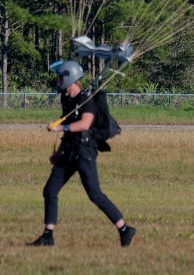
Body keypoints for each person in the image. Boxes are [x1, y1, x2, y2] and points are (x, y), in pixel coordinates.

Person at [28, 59, 136, 247]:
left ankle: (125, 229)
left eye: (60, 78)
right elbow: (70, 130)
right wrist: (59, 151)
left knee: (95, 194)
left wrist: (61, 128)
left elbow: (85, 124)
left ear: (70, 78)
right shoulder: (67, 100)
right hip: (69, 151)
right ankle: (48, 235)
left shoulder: (88, 100)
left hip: (84, 152)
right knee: (50, 190)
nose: (58, 82)